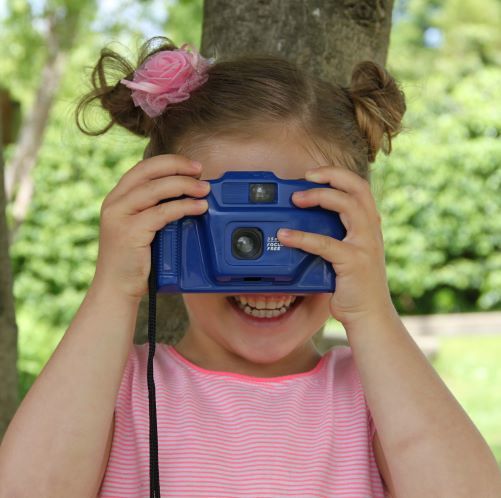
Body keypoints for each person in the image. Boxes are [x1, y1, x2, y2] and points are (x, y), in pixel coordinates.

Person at [1, 36, 500, 498]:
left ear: (355, 232)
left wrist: (374, 313)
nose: (264, 272)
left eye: (295, 226)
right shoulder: (111, 387)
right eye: (235, 231)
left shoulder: (378, 394)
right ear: (165, 227)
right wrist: (113, 289)